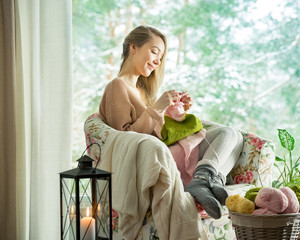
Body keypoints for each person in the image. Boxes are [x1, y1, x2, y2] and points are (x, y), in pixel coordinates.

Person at [99, 25, 244, 219]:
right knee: (228, 135)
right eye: (154, 52)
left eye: (161, 57)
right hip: (156, 159)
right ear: (133, 48)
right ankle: (206, 180)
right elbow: (124, 139)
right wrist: (158, 107)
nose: (158, 61)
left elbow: (155, 128)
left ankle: (205, 179)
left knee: (233, 135)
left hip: (168, 150)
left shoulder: (142, 90)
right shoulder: (117, 86)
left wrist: (174, 109)